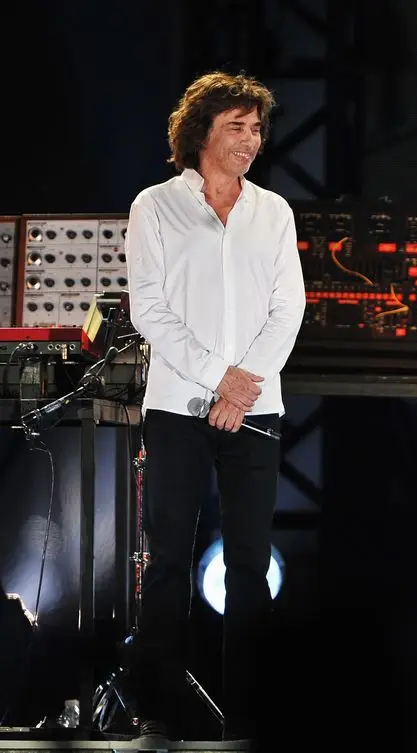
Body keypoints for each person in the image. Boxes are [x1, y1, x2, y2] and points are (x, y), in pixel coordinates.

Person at [125, 71, 306, 743]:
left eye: (257, 129)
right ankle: (157, 714)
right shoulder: (156, 206)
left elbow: (290, 307)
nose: (250, 139)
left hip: (256, 409)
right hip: (178, 406)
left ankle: (248, 720)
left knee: (250, 564)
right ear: (200, 132)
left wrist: (245, 384)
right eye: (237, 126)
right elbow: (150, 307)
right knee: (169, 559)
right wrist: (216, 378)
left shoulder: (273, 211)